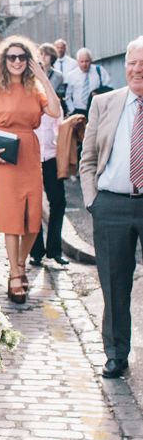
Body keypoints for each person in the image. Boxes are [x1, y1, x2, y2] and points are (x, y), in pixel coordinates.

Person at [0, 36, 61, 304]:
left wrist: (44, 79)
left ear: (29, 61)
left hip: (30, 153)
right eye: (11, 57)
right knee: (12, 218)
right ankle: (14, 273)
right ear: (3, 60)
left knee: (33, 218)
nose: (16, 61)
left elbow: (56, 112)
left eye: (22, 57)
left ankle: (21, 263)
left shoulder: (35, 89)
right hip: (4, 156)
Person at [80, 36, 143, 379]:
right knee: (114, 284)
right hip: (112, 207)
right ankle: (117, 354)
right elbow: (87, 158)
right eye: (133, 63)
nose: (137, 70)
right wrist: (93, 201)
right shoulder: (104, 103)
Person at [30, 43, 76, 267]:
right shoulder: (24, 99)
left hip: (50, 158)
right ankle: (36, 250)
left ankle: (54, 249)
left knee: (58, 202)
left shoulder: (51, 99)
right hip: (29, 161)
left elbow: (59, 125)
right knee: (33, 206)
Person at [64, 47, 111, 119]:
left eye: (87, 61)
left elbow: (109, 88)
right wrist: (73, 111)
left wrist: (98, 92)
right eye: (81, 62)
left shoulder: (99, 71)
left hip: (96, 109)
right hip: (78, 111)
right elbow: (68, 96)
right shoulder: (71, 75)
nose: (84, 64)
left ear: (91, 60)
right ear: (77, 61)